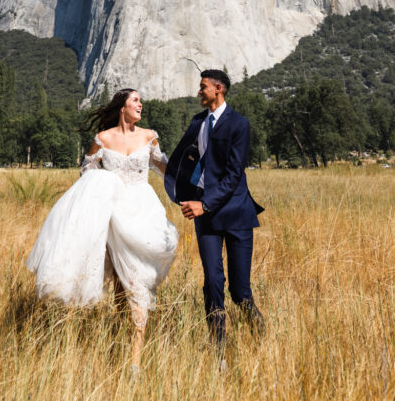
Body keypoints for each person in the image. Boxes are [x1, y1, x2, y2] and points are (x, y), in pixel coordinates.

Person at [26, 88, 178, 372]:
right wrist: (103, 189)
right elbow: (86, 170)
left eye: (140, 101)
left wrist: (190, 183)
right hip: (111, 214)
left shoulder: (149, 136)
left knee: (136, 283)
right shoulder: (103, 139)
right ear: (122, 106)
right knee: (119, 284)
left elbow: (163, 168)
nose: (141, 104)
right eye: (135, 100)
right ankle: (114, 346)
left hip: (142, 212)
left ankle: (134, 362)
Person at [164, 69, 264, 351]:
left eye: (203, 86)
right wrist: (183, 192)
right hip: (205, 217)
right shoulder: (198, 121)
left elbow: (234, 174)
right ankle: (218, 346)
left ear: (218, 88)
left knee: (239, 290)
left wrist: (204, 203)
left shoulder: (239, 124)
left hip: (236, 213)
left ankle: (260, 337)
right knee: (212, 284)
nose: (199, 91)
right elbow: (186, 159)